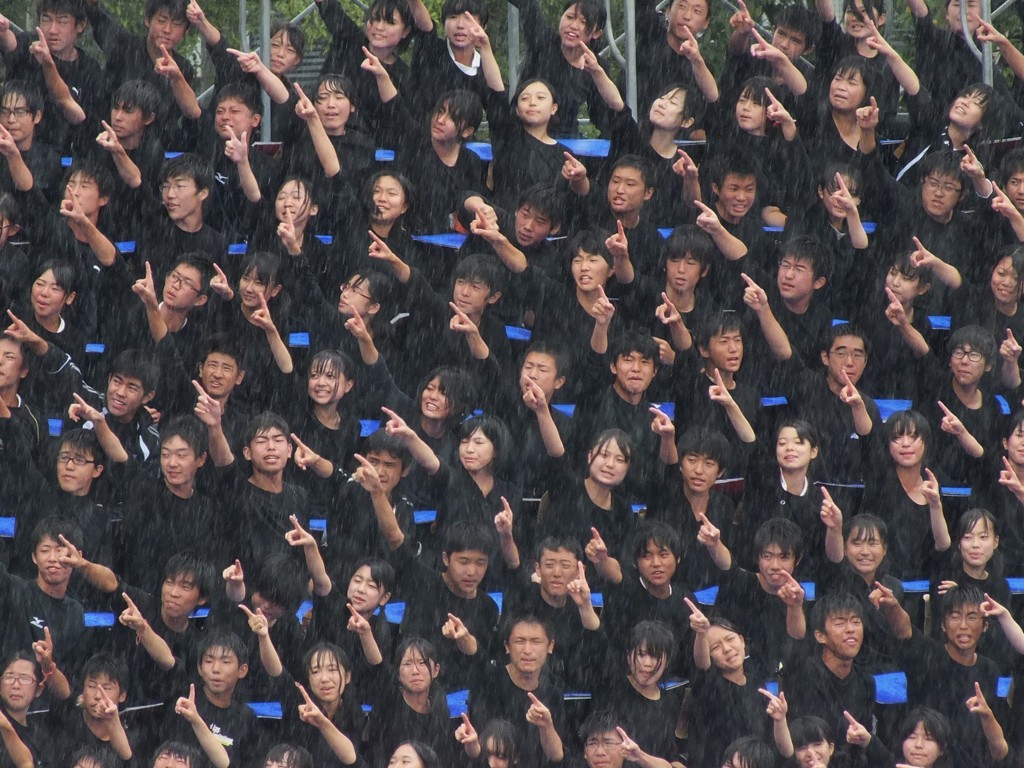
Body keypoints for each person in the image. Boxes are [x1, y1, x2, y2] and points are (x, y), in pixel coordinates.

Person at [469, 614, 566, 765]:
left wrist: (546, 726)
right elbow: (481, 751)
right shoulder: (488, 683)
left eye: (536, 642)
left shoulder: (553, 689)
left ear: (550, 646)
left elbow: (557, 756)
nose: (527, 650)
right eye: (520, 641)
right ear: (507, 646)